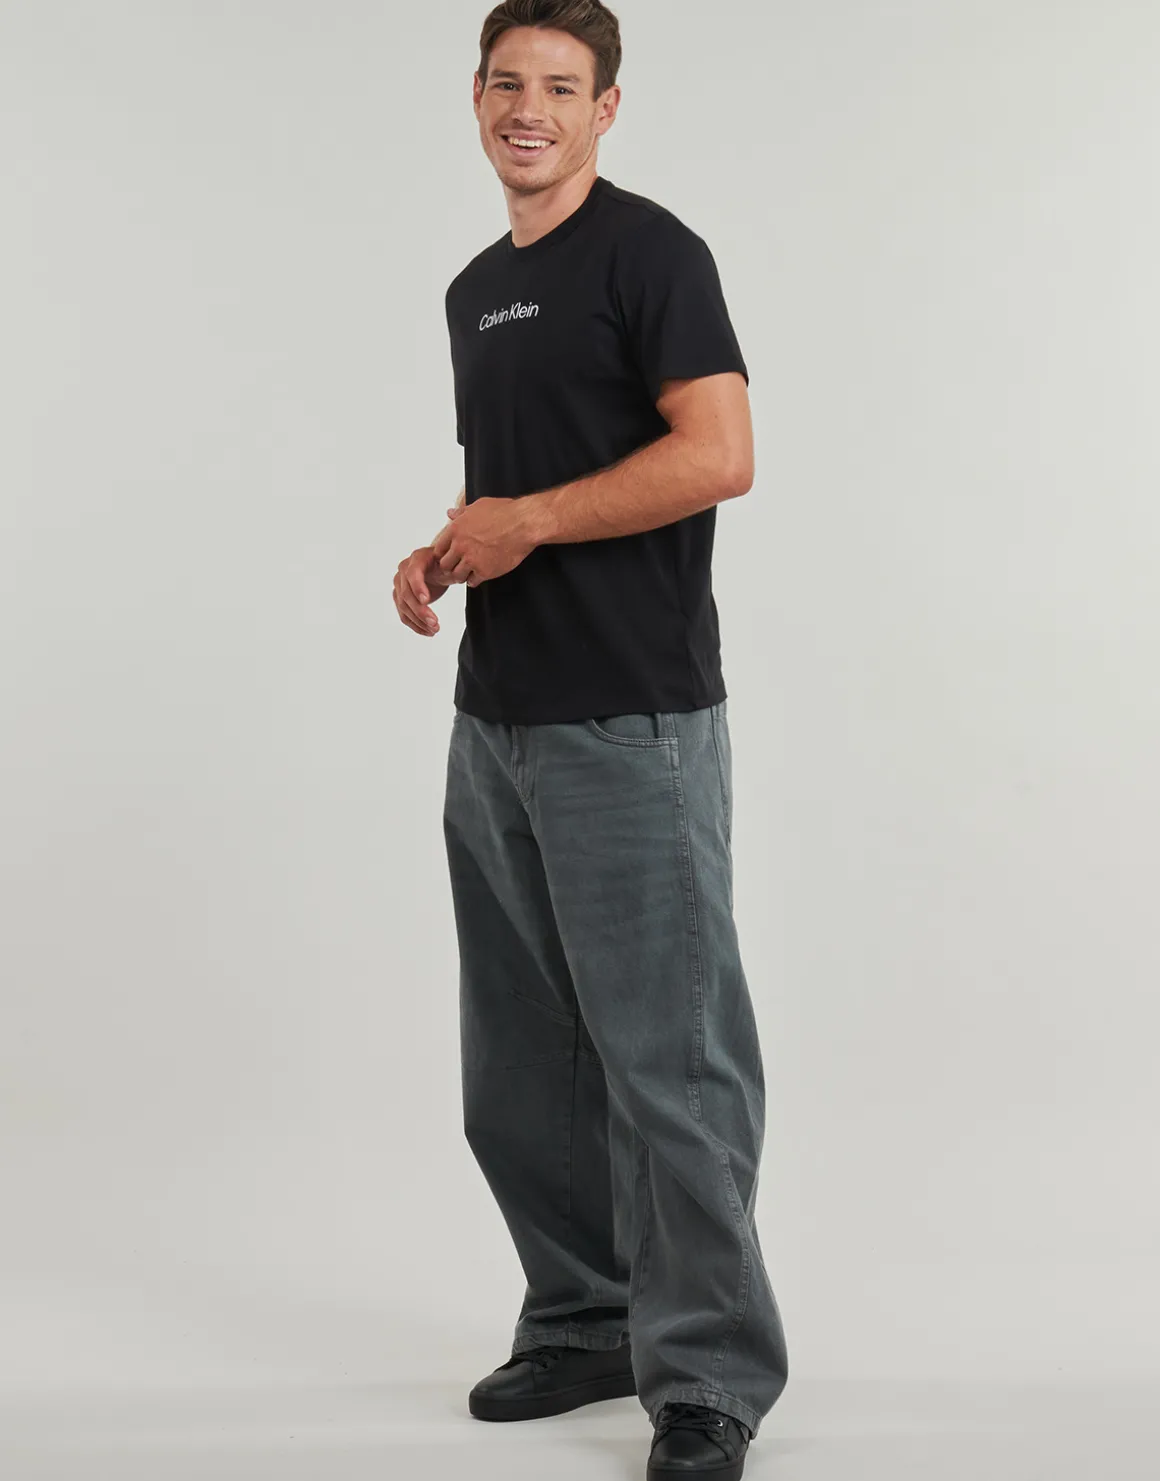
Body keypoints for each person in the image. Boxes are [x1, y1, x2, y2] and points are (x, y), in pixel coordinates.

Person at [393, 3, 788, 1476]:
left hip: (632, 718)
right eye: (508, 83)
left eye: (561, 87)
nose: (530, 109)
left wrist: (532, 520)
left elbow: (719, 456)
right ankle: (584, 1318)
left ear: (606, 108)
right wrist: (449, 548)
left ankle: (709, 1377)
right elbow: (525, 490)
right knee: (523, 1064)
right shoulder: (475, 290)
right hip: (496, 717)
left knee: (670, 1062)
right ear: (476, 98)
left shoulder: (652, 254)